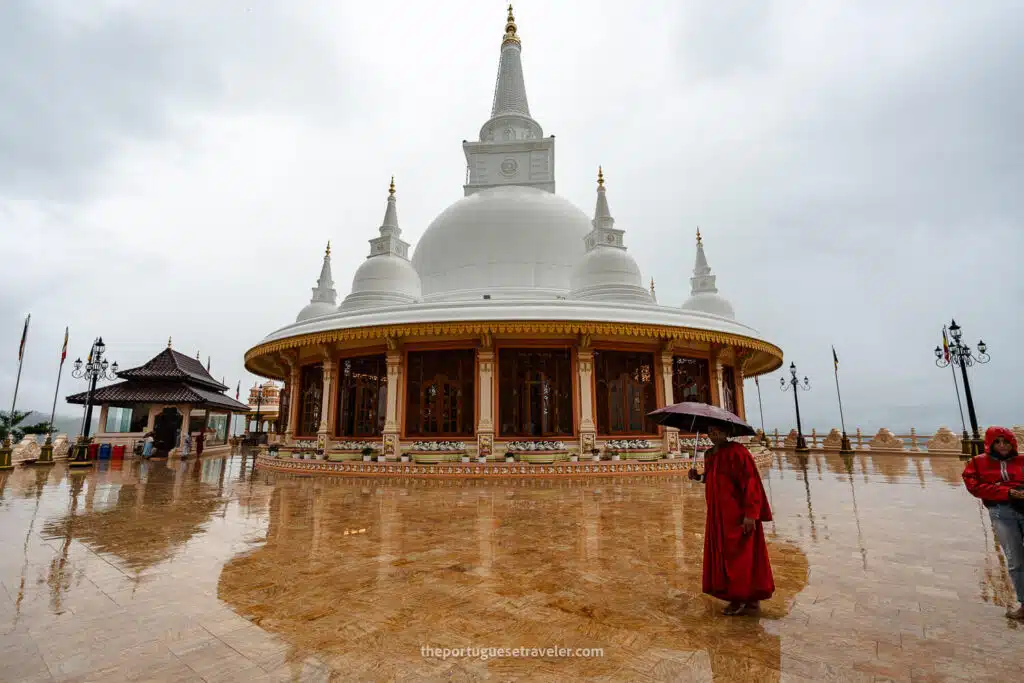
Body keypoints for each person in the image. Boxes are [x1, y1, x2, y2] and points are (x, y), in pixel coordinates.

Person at [689, 425, 775, 615]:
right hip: (718, 515)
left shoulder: (738, 452)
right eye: (710, 431)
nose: (714, 434)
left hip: (738, 514)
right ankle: (739, 597)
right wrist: (698, 477)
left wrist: (751, 514)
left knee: (741, 557)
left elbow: (750, 482)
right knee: (725, 555)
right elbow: (712, 479)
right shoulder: (709, 454)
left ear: (727, 432)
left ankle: (742, 598)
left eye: (718, 431)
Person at [962, 426, 1024, 619]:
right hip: (1001, 513)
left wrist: (1000, 487)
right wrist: (1006, 492)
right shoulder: (978, 463)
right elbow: (975, 487)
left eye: (1006, 441)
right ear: (990, 443)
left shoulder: (1022, 460)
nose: (1002, 445)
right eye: (997, 442)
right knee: (1016, 560)